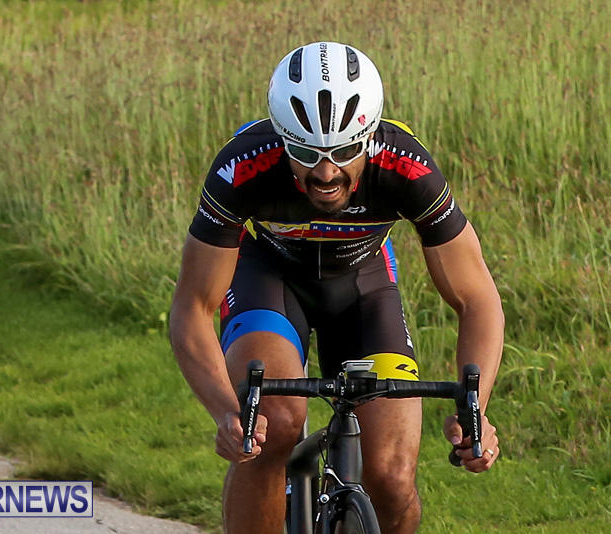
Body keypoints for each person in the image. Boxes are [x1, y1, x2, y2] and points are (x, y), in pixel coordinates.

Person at [170, 41, 504, 534]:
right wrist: (226, 412)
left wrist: (476, 411)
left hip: (362, 285)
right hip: (269, 278)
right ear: (282, 139)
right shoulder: (243, 166)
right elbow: (192, 308)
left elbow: (477, 298)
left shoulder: (406, 165)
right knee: (271, 426)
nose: (326, 173)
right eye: (306, 154)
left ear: (369, 135)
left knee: (391, 477)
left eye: (345, 152)